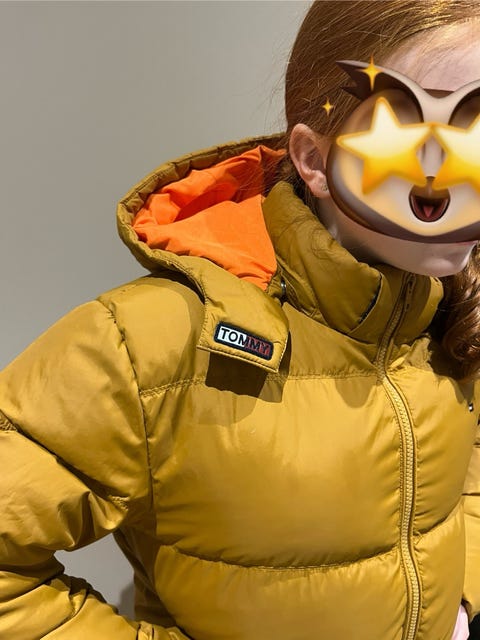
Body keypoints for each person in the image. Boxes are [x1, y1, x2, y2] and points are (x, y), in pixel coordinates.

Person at [1, 1, 480, 638]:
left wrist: (460, 597)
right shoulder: (150, 344)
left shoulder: (445, 311)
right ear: (314, 161)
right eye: (415, 132)